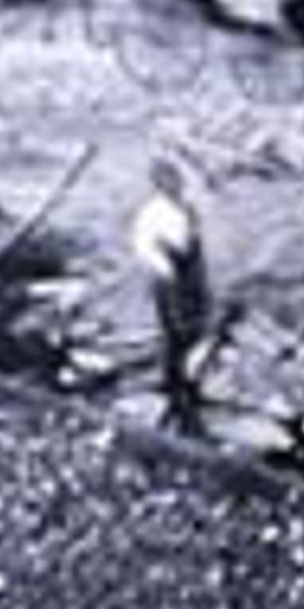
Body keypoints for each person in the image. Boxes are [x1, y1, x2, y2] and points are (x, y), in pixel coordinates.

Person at [129, 160, 211, 432]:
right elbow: (143, 245)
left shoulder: (186, 208)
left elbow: (194, 242)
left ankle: (185, 377)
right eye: (168, 181)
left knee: (195, 323)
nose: (174, 185)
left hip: (189, 273)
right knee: (174, 331)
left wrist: (196, 271)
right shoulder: (151, 213)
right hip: (168, 275)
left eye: (176, 180)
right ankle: (174, 385)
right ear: (158, 185)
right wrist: (164, 266)